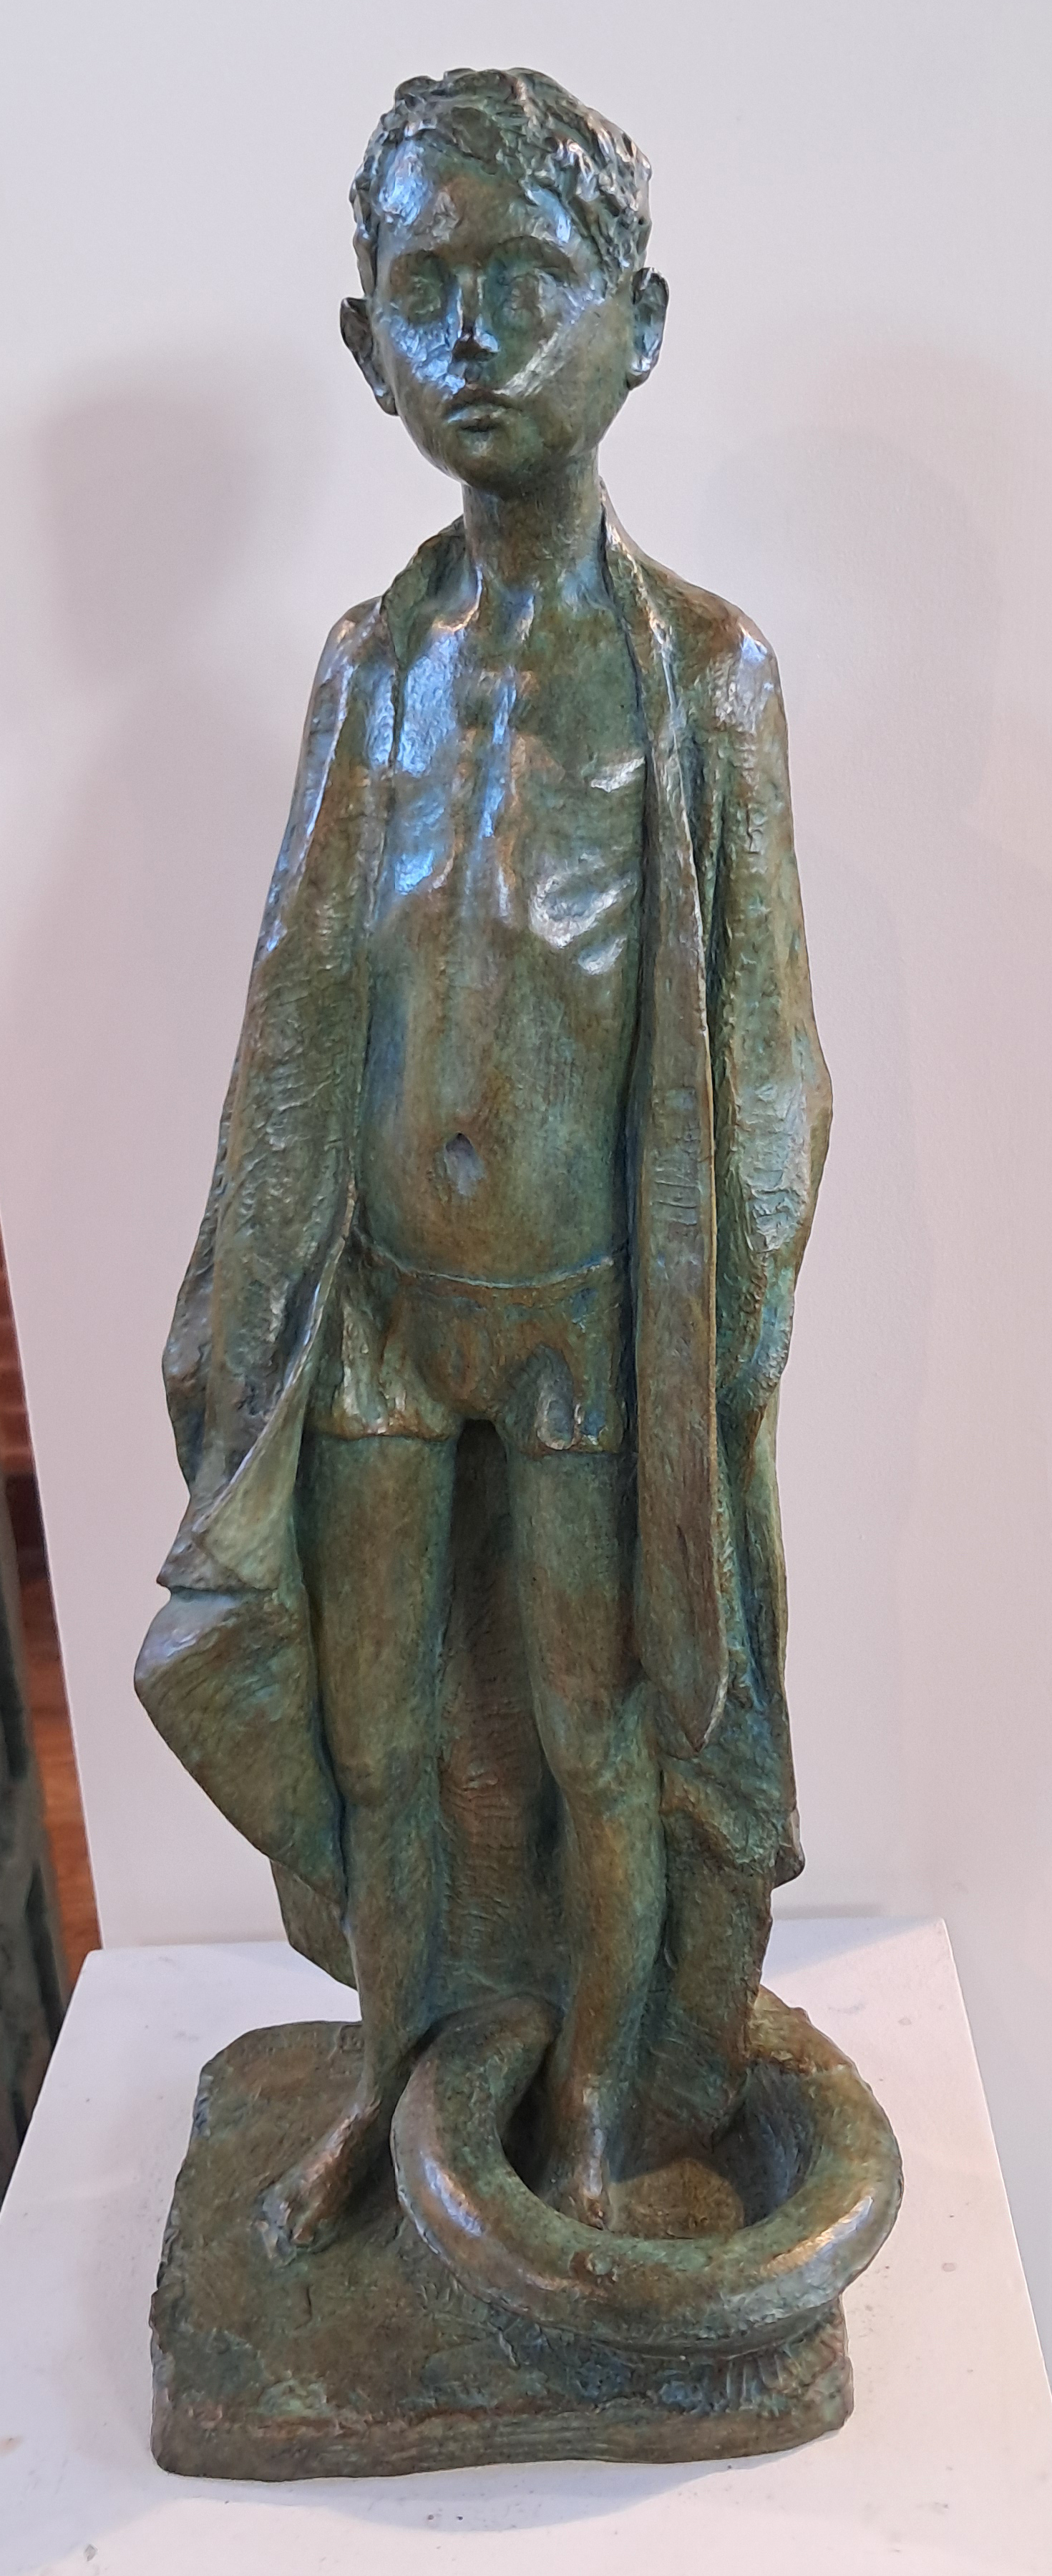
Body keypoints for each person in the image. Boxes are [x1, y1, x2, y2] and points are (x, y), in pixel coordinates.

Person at [135, 67, 832, 2257]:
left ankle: (609, 2110)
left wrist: (720, 1350)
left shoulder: (702, 676)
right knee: (387, 1737)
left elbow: (767, 1064)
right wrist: (246, 1300)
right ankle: (391, 2080)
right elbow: (296, 1010)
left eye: (525, 281)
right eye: (424, 290)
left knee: (601, 1726)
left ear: (640, 322)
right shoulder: (371, 665)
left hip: (581, 1330)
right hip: (375, 1309)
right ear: (364, 347)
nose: (472, 338)